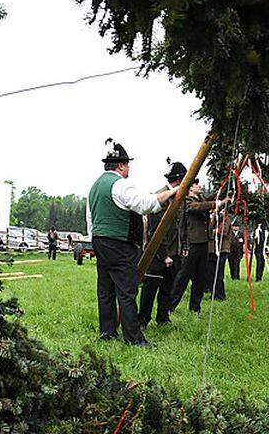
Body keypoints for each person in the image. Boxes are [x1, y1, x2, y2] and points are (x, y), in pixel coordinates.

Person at [87, 140, 178, 347]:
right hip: (119, 244)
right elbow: (145, 204)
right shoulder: (120, 184)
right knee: (127, 291)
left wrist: (96, 240)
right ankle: (134, 338)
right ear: (120, 165)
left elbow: (90, 220)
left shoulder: (94, 187)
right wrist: (170, 193)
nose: (128, 168)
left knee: (105, 290)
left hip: (100, 241)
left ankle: (107, 333)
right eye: (127, 165)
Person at [140, 161, 186, 326]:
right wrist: (164, 255)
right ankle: (143, 320)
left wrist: (182, 248)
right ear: (180, 180)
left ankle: (163, 318)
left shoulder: (181, 197)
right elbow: (155, 230)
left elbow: (180, 226)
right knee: (150, 287)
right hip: (157, 252)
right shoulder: (160, 195)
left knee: (168, 287)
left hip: (174, 251)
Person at [168, 180, 222, 314]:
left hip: (203, 243)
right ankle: (170, 306)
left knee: (200, 277)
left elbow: (206, 203)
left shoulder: (201, 199)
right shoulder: (186, 201)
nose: (200, 186)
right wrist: (216, 204)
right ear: (190, 188)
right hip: (191, 244)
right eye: (196, 184)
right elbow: (196, 207)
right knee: (183, 277)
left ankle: (195, 308)